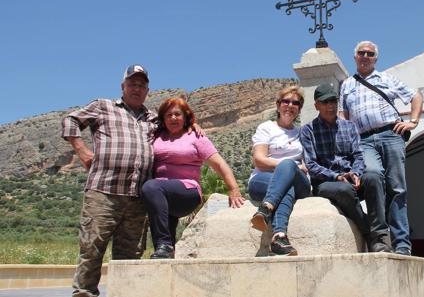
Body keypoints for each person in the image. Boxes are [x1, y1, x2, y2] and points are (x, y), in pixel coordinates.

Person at [61, 65, 157, 297]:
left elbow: (178, 126)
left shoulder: (153, 117)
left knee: (131, 256)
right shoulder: (103, 106)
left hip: (137, 198)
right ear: (123, 87)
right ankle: (84, 292)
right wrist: (81, 150)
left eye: (141, 85)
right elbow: (70, 121)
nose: (137, 88)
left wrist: (193, 123)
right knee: (91, 248)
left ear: (147, 90)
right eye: (132, 84)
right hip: (103, 192)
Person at [339, 41, 423, 256]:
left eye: (370, 53)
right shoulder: (347, 84)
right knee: (372, 176)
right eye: (361, 53)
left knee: (397, 188)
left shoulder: (386, 79)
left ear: (375, 58)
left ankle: (402, 243)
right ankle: (380, 236)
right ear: (355, 57)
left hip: (390, 134)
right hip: (363, 140)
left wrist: (412, 121)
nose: (365, 56)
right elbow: (343, 115)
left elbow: (415, 96)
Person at [141, 97, 245, 259]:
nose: (173, 118)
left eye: (177, 114)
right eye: (169, 115)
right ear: (163, 118)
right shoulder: (157, 135)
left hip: (187, 192)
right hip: (160, 194)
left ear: (185, 117)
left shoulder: (195, 137)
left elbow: (219, 164)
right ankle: (165, 253)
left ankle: (164, 244)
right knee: (158, 203)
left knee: (151, 187)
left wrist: (234, 189)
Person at [300, 83, 388, 252]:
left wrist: (355, 173)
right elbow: (311, 164)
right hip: (326, 184)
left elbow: (358, 155)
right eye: (325, 102)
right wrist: (336, 177)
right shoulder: (308, 131)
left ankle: (380, 233)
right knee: (344, 190)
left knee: (374, 178)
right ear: (316, 105)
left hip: (351, 178)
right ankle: (370, 235)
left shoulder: (349, 127)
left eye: (333, 101)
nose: (330, 106)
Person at [248, 86, 311, 256]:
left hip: (300, 183)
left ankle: (266, 208)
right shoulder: (266, 128)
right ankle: (279, 237)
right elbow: (259, 160)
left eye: (295, 103)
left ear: (299, 108)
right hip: (262, 180)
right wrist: (287, 165)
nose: (290, 105)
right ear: (278, 105)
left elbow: (307, 164)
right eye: (286, 101)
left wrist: (292, 166)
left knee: (288, 167)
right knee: (286, 183)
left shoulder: (302, 133)